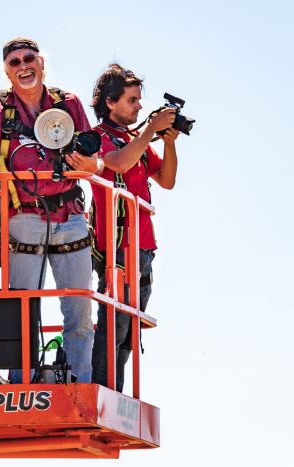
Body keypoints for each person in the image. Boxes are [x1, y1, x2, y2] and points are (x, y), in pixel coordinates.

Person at [0, 38, 98, 383]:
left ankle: (80, 383)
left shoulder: (67, 104)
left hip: (70, 215)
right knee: (23, 308)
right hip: (24, 217)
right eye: (15, 62)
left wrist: (85, 162)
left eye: (29, 58)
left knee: (79, 308)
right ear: (7, 71)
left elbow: (93, 159)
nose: (24, 66)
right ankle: (22, 383)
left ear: (42, 63)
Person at [80, 63, 179, 391]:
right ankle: (103, 392)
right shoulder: (98, 138)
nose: (139, 106)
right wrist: (151, 129)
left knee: (129, 330)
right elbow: (119, 162)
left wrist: (169, 141)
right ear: (110, 102)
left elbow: (166, 181)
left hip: (143, 248)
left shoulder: (133, 139)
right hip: (118, 248)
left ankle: (114, 394)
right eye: (132, 100)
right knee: (113, 325)